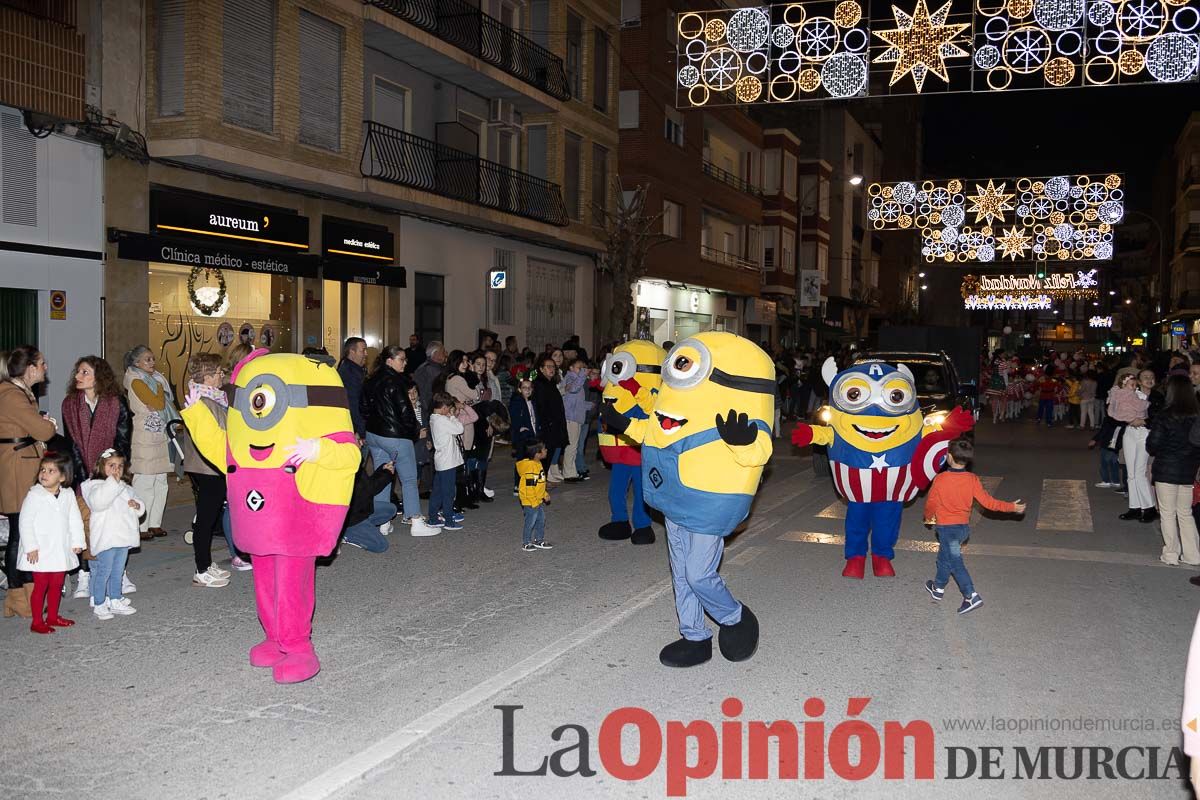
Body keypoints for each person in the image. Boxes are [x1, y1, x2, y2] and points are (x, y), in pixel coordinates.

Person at [922, 438, 1025, 615]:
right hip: (962, 529)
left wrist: (928, 517)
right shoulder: (972, 479)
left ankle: (970, 595)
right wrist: (1012, 507)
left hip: (947, 530)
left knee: (955, 562)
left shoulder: (941, 479)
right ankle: (938, 587)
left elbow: (931, 502)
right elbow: (988, 502)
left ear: (949, 457)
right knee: (944, 558)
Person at [0, 346, 57, 620]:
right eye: (43, 364)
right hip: (16, 469)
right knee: (20, 534)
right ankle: (17, 594)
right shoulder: (11, 395)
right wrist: (46, 425)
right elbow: (42, 430)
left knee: (24, 533)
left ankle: (22, 595)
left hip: (22, 464)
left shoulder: (19, 393)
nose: (46, 368)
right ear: (30, 368)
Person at [360, 345, 439, 536]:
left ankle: (382, 522)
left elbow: (362, 408)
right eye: (401, 359)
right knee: (409, 479)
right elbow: (406, 411)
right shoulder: (396, 381)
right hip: (395, 436)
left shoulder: (369, 380)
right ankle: (416, 522)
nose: (405, 362)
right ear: (390, 360)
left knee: (384, 476)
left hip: (374, 435)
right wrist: (414, 432)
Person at [17, 451, 85, 633]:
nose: (44, 474)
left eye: (50, 471)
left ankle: (53, 616)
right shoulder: (35, 495)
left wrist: (77, 541)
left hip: (60, 548)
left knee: (57, 584)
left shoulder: (68, 494)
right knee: (41, 586)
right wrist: (31, 547)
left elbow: (75, 519)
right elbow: (25, 522)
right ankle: (37, 621)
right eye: (43, 470)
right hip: (40, 550)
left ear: (63, 477)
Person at [180, 353, 232, 589]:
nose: (223, 375)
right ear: (209, 377)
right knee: (205, 519)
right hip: (207, 466)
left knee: (209, 518)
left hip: (209, 466)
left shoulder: (211, 397)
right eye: (219, 372)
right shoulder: (203, 401)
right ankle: (201, 569)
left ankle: (206, 564)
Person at [123, 345, 178, 539]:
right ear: (136, 363)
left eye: (153, 359)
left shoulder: (154, 379)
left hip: (159, 432)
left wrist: (157, 395)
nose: (152, 363)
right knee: (145, 480)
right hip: (145, 435)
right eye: (147, 359)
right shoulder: (136, 380)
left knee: (161, 481)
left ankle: (155, 523)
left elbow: (158, 401)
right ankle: (140, 525)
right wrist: (159, 393)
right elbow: (158, 403)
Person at [81, 449, 143, 619]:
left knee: (118, 571)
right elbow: (99, 503)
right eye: (111, 465)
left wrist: (137, 506)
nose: (116, 469)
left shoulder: (125, 487)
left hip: (122, 537)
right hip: (106, 538)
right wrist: (112, 483)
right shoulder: (93, 486)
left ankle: (115, 599)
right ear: (101, 467)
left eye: (120, 466)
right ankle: (100, 602)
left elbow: (137, 502)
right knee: (104, 571)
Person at [1150, 376, 1200, 566]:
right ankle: (1193, 554)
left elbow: (1153, 445)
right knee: (1185, 512)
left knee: (1167, 513)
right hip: (1188, 470)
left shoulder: (1165, 416)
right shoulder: (1196, 415)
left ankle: (1171, 553)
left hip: (1166, 468)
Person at [341, 460, 410, 551]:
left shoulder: (349, 461)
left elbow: (368, 485)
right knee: (380, 546)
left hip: (359, 509)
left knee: (391, 509)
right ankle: (345, 534)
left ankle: (363, 528)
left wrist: (382, 470)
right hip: (352, 518)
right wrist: (387, 473)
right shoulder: (346, 464)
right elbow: (369, 489)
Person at [428, 393, 464, 531]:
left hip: (442, 461)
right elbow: (459, 429)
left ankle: (433, 517)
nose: (449, 411)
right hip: (447, 462)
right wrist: (453, 417)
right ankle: (449, 520)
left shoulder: (434, 418)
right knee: (448, 492)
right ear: (443, 408)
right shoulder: (442, 420)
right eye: (448, 408)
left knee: (437, 491)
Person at [531, 356, 568, 483]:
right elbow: (540, 407)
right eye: (548, 366)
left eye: (553, 367)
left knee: (548, 455)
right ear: (541, 369)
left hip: (554, 425)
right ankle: (538, 484)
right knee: (542, 457)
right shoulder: (539, 384)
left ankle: (542, 482)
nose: (552, 369)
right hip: (546, 426)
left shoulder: (551, 383)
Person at [516, 440, 553, 552]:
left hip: (537, 500)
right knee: (530, 522)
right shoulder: (530, 468)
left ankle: (539, 539)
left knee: (541, 520)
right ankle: (526, 542)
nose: (546, 450)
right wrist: (533, 502)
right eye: (544, 449)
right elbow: (529, 488)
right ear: (537, 453)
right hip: (531, 501)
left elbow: (540, 483)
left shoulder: (538, 463)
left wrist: (544, 494)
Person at [560, 357, 591, 482]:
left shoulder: (578, 379)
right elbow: (573, 389)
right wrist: (583, 375)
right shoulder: (571, 378)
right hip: (570, 417)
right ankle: (568, 473)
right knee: (571, 446)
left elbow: (577, 400)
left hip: (576, 416)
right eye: (579, 368)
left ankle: (571, 471)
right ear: (571, 368)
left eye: (583, 368)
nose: (582, 370)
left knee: (574, 445)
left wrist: (589, 405)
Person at [508, 379, 538, 496]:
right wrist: (520, 427)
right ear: (519, 389)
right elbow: (514, 417)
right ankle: (517, 484)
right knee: (521, 461)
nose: (528, 390)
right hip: (522, 437)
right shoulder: (517, 402)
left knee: (532, 461)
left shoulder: (532, 402)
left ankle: (530, 483)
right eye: (524, 388)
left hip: (532, 434)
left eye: (530, 387)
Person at [337, 337, 368, 442]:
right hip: (354, 428)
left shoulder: (350, 368)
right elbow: (353, 402)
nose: (366, 354)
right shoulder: (350, 373)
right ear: (352, 352)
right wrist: (361, 430)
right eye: (362, 350)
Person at [414, 341, 445, 416]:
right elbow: (425, 394)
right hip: (430, 411)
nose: (445, 354)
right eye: (443, 352)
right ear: (435, 354)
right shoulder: (432, 370)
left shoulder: (424, 367)